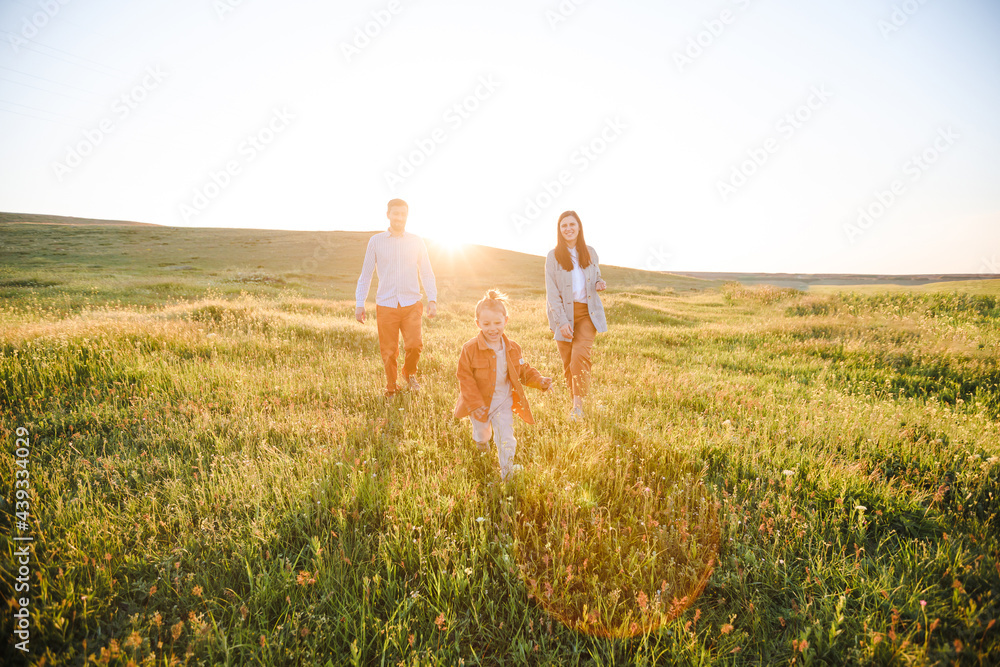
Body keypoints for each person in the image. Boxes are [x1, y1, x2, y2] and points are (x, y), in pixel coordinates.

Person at [454, 290, 552, 481]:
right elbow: (464, 377)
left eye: (497, 323)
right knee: (482, 434)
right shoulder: (470, 348)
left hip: (503, 402)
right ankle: (482, 446)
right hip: (479, 404)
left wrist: (539, 381)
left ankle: (507, 472)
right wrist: (475, 404)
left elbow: (523, 371)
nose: (492, 328)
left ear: (506, 321)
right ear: (478, 324)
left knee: (506, 438)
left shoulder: (513, 348)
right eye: (486, 324)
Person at [355, 199, 438, 397]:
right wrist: (360, 303)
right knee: (389, 351)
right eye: (395, 214)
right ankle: (391, 387)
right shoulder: (376, 241)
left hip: (411, 303)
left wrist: (432, 299)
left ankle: (409, 374)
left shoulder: (417, 241)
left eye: (403, 214)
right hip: (386, 305)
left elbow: (426, 272)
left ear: (407, 216)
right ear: (388, 215)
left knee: (415, 345)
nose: (399, 218)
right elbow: (366, 274)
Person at [544, 210, 608, 420]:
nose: (568, 229)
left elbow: (596, 273)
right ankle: (578, 400)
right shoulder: (553, 256)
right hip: (562, 314)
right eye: (564, 226)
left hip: (587, 314)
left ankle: (577, 407)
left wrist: (599, 282)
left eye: (572, 224)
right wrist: (561, 321)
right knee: (568, 363)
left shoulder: (590, 252)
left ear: (579, 227)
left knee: (579, 355)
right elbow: (552, 293)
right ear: (559, 230)